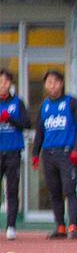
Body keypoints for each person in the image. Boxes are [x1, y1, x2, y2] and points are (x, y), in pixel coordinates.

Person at [31, 68, 77, 240]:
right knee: (54, 191)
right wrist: (35, 153)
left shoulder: (72, 102)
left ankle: (73, 227)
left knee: (69, 190)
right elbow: (39, 130)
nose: (52, 86)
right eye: (48, 83)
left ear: (61, 83)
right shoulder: (44, 105)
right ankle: (60, 227)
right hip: (49, 153)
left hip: (66, 152)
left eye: (55, 82)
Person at [0, 69, 25, 240]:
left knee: (12, 190)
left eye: (6, 82)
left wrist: (10, 119)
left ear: (11, 84)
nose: (3, 85)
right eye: (0, 81)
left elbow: (27, 123)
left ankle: (11, 226)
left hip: (13, 152)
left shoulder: (17, 102)